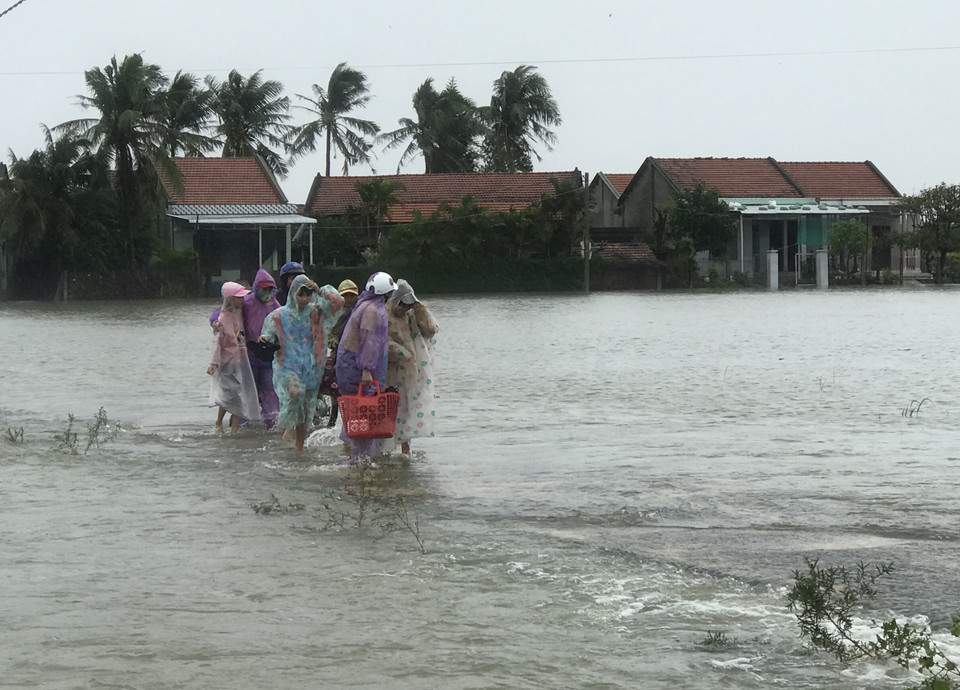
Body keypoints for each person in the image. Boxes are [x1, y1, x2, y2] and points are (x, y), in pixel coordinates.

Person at [260, 274, 343, 452]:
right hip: (286, 365)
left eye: (308, 294)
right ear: (293, 293)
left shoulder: (316, 312)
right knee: (295, 392)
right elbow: (268, 333)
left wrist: (319, 291)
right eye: (301, 294)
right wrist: (265, 339)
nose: (304, 299)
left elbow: (338, 303)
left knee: (306, 408)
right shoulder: (279, 315)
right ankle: (287, 425)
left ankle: (299, 448)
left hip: (311, 367)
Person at [335, 271, 396, 462]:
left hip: (350, 365)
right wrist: (367, 369)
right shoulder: (372, 311)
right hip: (357, 368)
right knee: (365, 411)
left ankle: (359, 457)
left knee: (358, 412)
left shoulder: (365, 305)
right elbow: (368, 342)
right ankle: (360, 459)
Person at [384, 279, 439, 454]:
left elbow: (431, 330)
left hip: (409, 372)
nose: (404, 309)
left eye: (408, 305)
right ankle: (384, 450)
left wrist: (420, 309)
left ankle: (405, 451)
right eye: (402, 305)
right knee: (389, 408)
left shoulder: (411, 316)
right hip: (389, 371)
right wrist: (400, 352)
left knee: (407, 409)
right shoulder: (384, 316)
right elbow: (381, 342)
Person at [207, 282, 262, 433]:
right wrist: (213, 363)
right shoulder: (222, 320)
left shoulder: (239, 315)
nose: (242, 300)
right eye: (238, 298)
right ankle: (219, 422)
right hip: (228, 363)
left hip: (241, 361)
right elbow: (217, 343)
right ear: (230, 299)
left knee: (239, 395)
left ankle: (234, 429)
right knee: (229, 395)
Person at [320, 279, 360, 428]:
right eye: (345, 296)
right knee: (336, 390)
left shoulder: (360, 311)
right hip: (338, 356)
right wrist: (333, 341)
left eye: (352, 295)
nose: (348, 299)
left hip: (355, 355)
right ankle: (333, 421)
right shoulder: (335, 313)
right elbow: (329, 333)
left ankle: (352, 421)